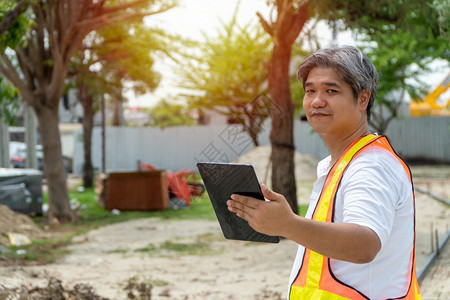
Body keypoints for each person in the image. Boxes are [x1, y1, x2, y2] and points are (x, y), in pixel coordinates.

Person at [227, 46, 422, 299]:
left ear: (363, 98)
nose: (317, 101)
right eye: (310, 91)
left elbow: (364, 244)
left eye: (331, 90)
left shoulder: (370, 165)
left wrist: (288, 224)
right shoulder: (341, 163)